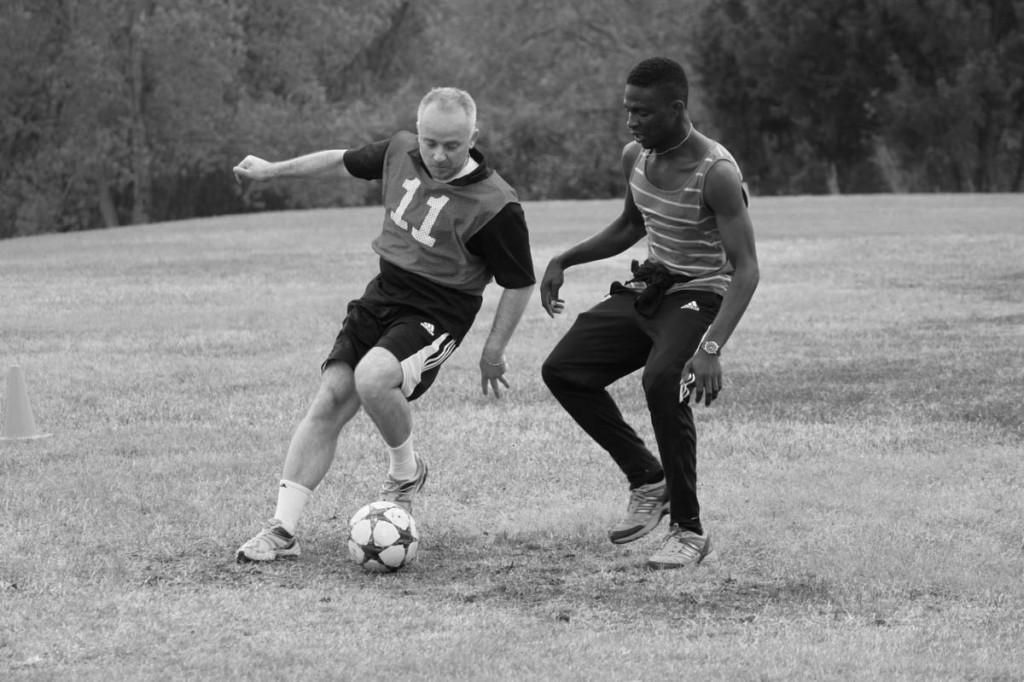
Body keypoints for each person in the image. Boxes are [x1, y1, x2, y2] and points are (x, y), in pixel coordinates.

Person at [232, 87, 536, 563]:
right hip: (384, 294)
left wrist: (493, 351)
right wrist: (273, 169)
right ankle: (282, 531)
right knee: (332, 393)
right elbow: (340, 159)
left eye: (452, 145)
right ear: (418, 133)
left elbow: (519, 282)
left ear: (473, 136)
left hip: (440, 310)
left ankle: (404, 473)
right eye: (430, 141)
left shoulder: (496, 205)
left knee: (373, 377)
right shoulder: (399, 152)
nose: (438, 154)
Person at [539, 57, 759, 570]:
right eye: (627, 111)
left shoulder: (717, 173)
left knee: (663, 380)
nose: (631, 122)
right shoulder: (634, 156)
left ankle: (689, 530)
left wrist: (710, 347)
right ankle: (647, 478)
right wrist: (564, 258)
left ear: (677, 108)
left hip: (701, 294)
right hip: (652, 288)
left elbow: (746, 270)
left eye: (642, 112)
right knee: (564, 370)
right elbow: (630, 225)